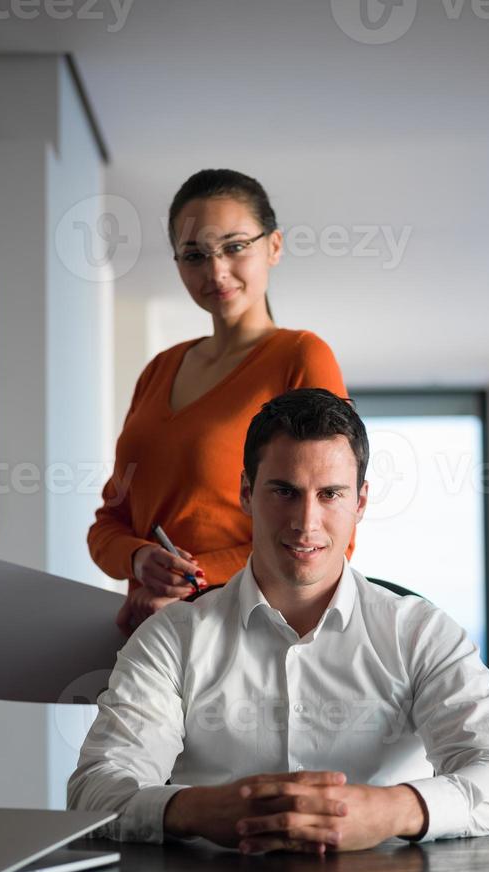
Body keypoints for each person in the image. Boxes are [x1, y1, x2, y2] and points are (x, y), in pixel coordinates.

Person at [69, 389, 489, 854]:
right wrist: (198, 810)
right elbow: (93, 791)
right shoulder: (170, 638)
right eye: (284, 492)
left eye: (330, 494)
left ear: (360, 502)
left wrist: (389, 811)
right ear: (247, 493)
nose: (306, 521)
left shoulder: (422, 633)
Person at [88, 169, 350, 633]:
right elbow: (109, 524)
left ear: (273, 246)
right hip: (149, 637)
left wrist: (190, 580)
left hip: (244, 634)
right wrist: (140, 558)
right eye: (194, 255)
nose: (216, 271)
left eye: (234, 246)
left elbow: (330, 526)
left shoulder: (301, 356)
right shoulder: (158, 370)